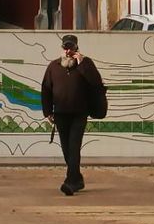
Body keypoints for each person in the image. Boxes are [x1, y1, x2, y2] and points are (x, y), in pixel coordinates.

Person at [39, 33, 106, 195]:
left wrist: (82, 64)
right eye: (66, 47)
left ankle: (71, 182)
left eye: (71, 48)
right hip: (61, 113)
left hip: (79, 113)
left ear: (77, 48)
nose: (68, 51)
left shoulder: (86, 64)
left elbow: (96, 83)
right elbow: (46, 89)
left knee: (74, 146)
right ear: (62, 49)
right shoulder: (54, 66)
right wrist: (47, 111)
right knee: (66, 149)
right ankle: (77, 179)